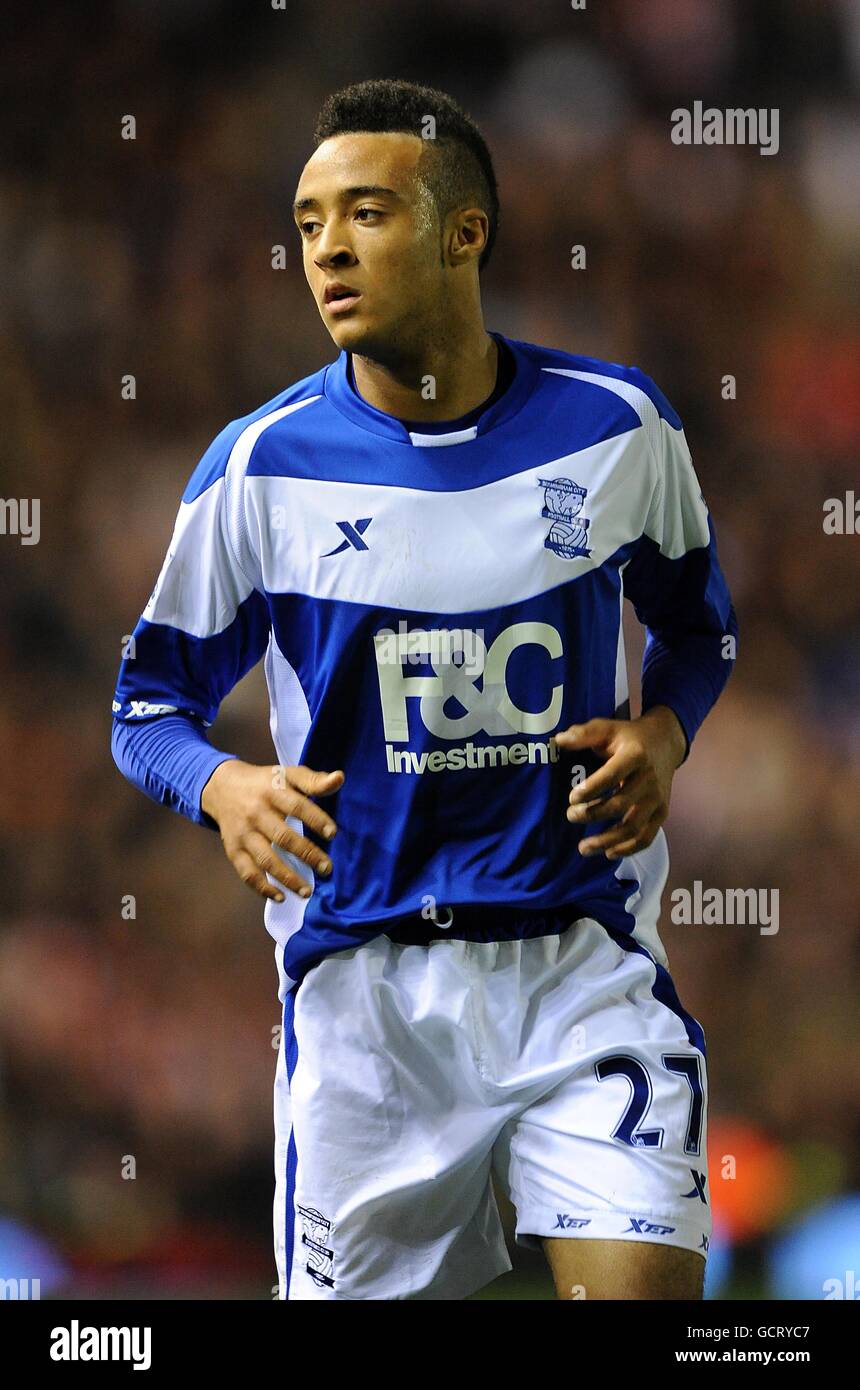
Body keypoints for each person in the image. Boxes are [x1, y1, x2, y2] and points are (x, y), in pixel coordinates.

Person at [111, 78, 738, 1301]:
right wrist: (224, 784)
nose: (327, 249)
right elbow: (146, 709)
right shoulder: (258, 469)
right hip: (366, 1012)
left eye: (364, 212)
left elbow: (696, 634)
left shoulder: (616, 430)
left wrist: (663, 735)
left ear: (465, 232)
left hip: (577, 969)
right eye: (305, 223)